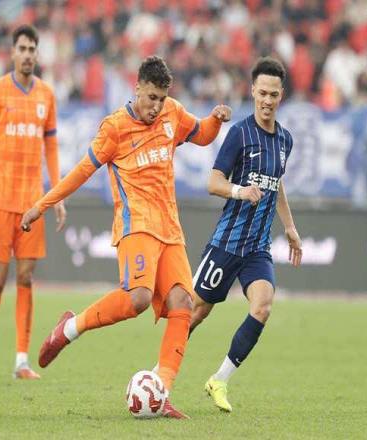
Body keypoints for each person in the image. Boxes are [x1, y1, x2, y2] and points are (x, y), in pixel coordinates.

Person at [21, 55, 231, 418]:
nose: (156, 106)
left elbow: (202, 134)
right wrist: (42, 205)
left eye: (161, 99)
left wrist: (215, 119)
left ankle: (161, 392)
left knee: (183, 304)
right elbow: (82, 171)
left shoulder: (173, 113)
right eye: (151, 98)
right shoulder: (115, 127)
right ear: (137, 89)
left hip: (170, 227)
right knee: (138, 298)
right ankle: (69, 328)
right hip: (136, 224)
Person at [190, 57, 303, 412]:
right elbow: (213, 182)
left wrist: (290, 227)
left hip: (257, 248)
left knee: (263, 306)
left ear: (281, 95)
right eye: (262, 93)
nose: (267, 100)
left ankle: (219, 380)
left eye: (274, 94)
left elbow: (276, 184)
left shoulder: (285, 140)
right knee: (193, 314)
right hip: (227, 242)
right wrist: (240, 191)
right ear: (252, 91)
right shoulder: (239, 133)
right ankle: (161, 374)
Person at [0, 24, 66, 379]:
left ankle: (21, 361)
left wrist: (57, 195)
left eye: (32, 49)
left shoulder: (46, 95)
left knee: (25, 276)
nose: (27, 54)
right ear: (13, 52)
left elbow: (51, 148)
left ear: (37, 54)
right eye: (22, 48)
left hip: (31, 205)